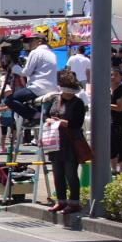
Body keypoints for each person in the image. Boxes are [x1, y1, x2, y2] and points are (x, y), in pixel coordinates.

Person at [46, 72, 90, 214]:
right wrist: (49, 120)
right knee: (57, 173)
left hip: (70, 142)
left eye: (71, 92)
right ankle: (61, 201)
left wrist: (63, 122)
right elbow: (47, 114)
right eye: (66, 91)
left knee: (71, 174)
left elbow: (77, 123)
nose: (69, 94)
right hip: (55, 141)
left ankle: (74, 203)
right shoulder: (55, 99)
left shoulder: (78, 103)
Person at [4, 31, 58, 123]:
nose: (29, 43)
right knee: (21, 100)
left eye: (31, 41)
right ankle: (34, 117)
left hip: (38, 88)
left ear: (39, 41)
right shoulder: (52, 53)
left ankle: (35, 116)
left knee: (8, 100)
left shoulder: (36, 52)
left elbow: (26, 72)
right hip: (51, 88)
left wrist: (13, 66)